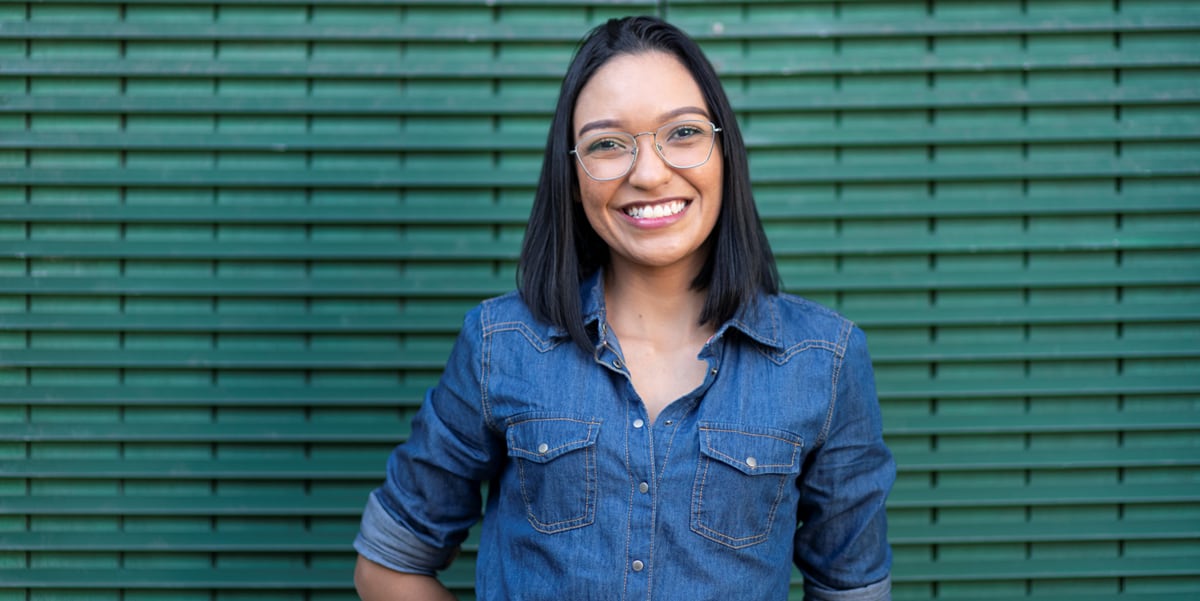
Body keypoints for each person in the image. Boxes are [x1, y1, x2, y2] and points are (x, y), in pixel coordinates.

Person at [353, 15, 894, 601]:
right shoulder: (499, 344)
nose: (649, 172)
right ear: (573, 171)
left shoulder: (825, 361)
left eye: (682, 133)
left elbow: (851, 590)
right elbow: (388, 565)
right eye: (608, 144)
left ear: (723, 149)